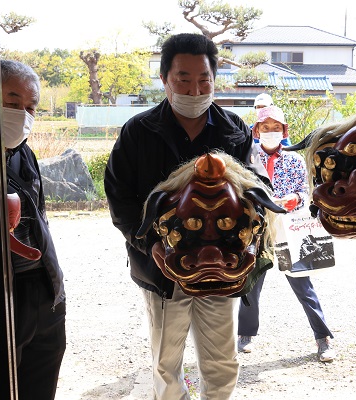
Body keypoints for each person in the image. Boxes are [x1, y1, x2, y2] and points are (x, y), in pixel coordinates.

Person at [104, 33, 268, 400]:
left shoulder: (234, 130)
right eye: (183, 79)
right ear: (165, 79)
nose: (194, 90)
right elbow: (119, 195)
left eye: (204, 79)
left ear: (214, 79)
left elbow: (259, 187)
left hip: (222, 269)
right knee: (166, 363)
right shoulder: (138, 132)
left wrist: (251, 243)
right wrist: (150, 245)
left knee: (222, 360)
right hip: (161, 269)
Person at [237, 105, 336, 362]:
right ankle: (245, 334)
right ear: (256, 130)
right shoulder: (246, 158)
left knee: (303, 283)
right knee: (251, 282)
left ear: (284, 130)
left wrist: (295, 197)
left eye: (276, 128)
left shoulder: (293, 159)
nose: (271, 132)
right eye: (265, 127)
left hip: (287, 229)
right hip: (257, 229)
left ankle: (323, 338)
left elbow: (305, 191)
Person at [1, 59, 66, 400]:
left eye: (30, 107)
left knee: (41, 379)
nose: (22, 115)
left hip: (43, 286)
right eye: (11, 103)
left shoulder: (22, 153)